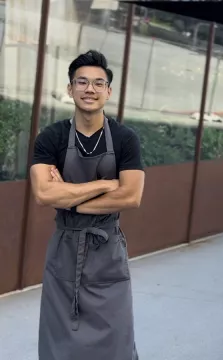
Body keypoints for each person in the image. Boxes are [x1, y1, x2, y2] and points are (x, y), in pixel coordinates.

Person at [30, 50, 145, 360]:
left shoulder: (125, 139)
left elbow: (131, 196)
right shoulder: (51, 138)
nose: (89, 89)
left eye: (98, 83)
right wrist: (104, 185)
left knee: (116, 341)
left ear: (108, 91)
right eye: (81, 82)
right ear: (70, 89)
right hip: (64, 251)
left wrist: (70, 198)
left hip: (107, 252)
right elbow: (42, 193)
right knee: (59, 343)